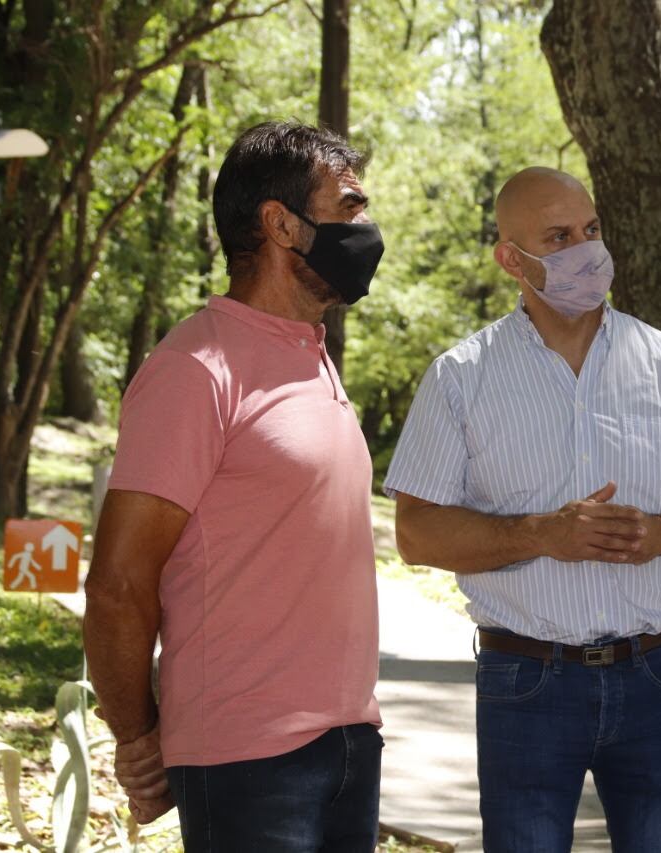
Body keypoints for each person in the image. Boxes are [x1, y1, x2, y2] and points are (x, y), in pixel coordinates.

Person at [383, 166, 661, 853]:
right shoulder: (462, 376)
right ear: (511, 259)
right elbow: (416, 532)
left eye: (591, 231)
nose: (585, 251)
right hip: (526, 679)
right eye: (558, 237)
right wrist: (543, 533)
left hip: (656, 675)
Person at [83, 120, 386, 851]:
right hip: (248, 761)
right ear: (282, 225)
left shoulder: (311, 354)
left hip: (350, 747)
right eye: (350, 206)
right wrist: (137, 735)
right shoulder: (197, 366)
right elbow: (120, 584)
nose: (368, 228)